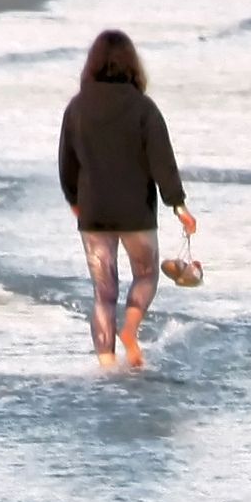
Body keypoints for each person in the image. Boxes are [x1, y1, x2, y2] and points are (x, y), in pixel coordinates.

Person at [57, 29, 196, 370]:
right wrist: (178, 205)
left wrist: (75, 200)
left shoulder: (77, 107)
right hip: (136, 213)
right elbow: (162, 162)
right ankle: (130, 330)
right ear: (132, 64)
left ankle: (107, 368)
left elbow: (66, 162)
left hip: (95, 214)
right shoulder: (144, 109)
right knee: (146, 276)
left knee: (103, 293)